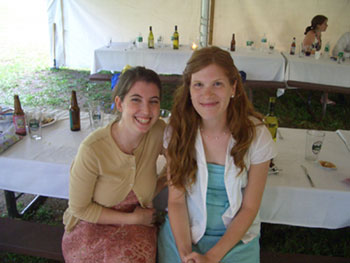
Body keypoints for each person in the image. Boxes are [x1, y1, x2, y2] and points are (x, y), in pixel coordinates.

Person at [158, 46, 277, 263]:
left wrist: (211, 258)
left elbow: (250, 208)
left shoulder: (257, 136)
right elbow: (176, 201)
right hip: (184, 232)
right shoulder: (177, 132)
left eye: (217, 84)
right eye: (199, 85)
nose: (207, 94)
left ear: (233, 88)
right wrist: (185, 254)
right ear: (189, 90)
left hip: (235, 239)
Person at [61, 66, 166, 263]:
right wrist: (133, 219)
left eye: (153, 101)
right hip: (91, 224)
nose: (146, 110)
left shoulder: (158, 131)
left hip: (138, 224)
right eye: (136, 100)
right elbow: (80, 208)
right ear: (119, 103)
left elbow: (180, 161)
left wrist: (160, 183)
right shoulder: (92, 149)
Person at [303, 15, 334, 105]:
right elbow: (306, 49)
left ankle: (325, 96)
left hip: (314, 61)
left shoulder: (318, 34)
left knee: (328, 70)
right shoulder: (312, 34)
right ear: (318, 25)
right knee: (326, 72)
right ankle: (324, 97)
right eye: (325, 24)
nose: (326, 26)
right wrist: (318, 54)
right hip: (308, 62)